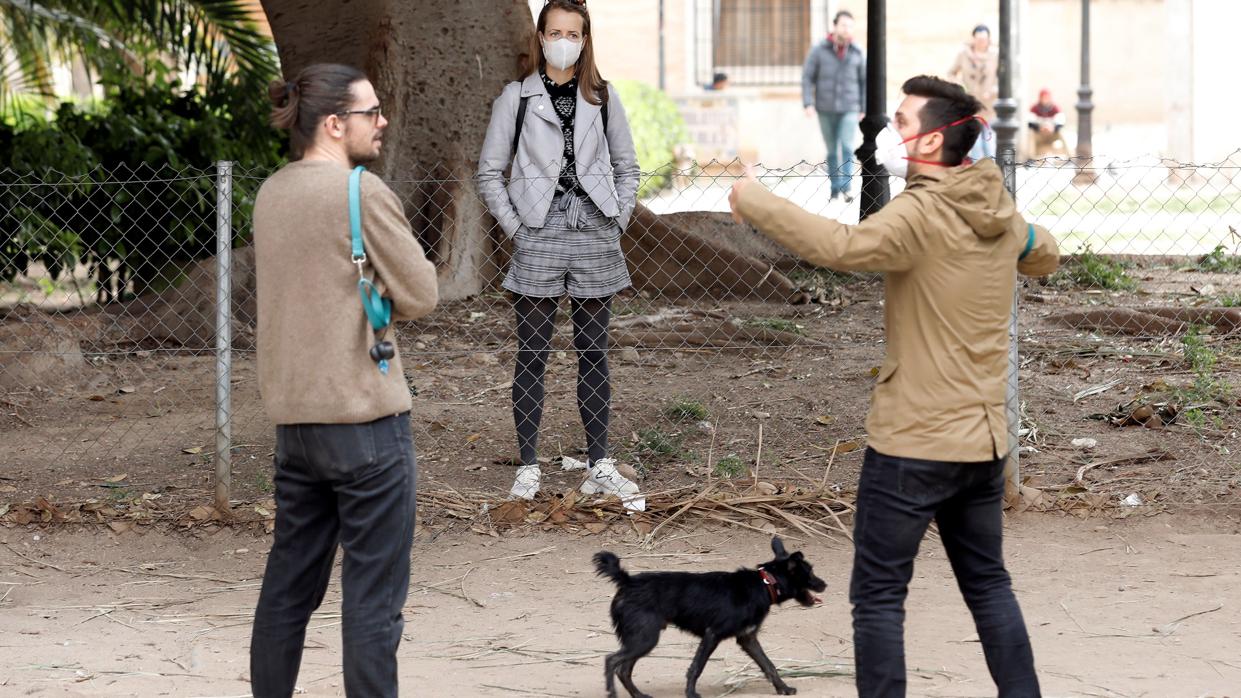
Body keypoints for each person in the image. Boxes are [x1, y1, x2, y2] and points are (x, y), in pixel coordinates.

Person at [729, 75, 1059, 698]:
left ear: (933, 141)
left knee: (878, 596)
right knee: (989, 585)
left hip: (913, 444)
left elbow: (841, 245)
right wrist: (1027, 241)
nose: (891, 131)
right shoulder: (997, 211)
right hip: (983, 445)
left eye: (903, 122)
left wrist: (755, 200)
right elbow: (1046, 251)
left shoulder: (921, 213)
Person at [249, 63, 439, 698]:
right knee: (372, 600)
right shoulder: (361, 192)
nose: (382, 122)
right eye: (371, 113)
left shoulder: (270, 193)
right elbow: (421, 293)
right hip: (366, 425)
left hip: (294, 426)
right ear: (335, 123)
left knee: (287, 591)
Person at [477, 0, 645, 511]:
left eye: (573, 32)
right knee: (533, 353)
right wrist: (518, 228)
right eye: (555, 31)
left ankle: (600, 464)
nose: (564, 40)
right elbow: (489, 173)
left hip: (594, 228)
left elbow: (627, 166)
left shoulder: (603, 96)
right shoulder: (517, 97)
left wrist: (616, 221)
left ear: (585, 37)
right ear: (541, 37)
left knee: (593, 353)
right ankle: (527, 467)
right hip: (538, 229)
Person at [802, 10, 866, 202]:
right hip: (825, 107)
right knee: (831, 150)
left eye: (850, 26)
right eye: (843, 25)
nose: (847, 29)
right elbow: (807, 77)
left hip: (849, 107)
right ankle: (835, 187)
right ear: (835, 26)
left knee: (846, 146)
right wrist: (808, 102)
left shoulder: (857, 51)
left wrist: (863, 107)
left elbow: (865, 81)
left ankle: (846, 187)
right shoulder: (819, 50)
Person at [947, 24, 998, 160]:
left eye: (984, 39)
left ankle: (990, 176)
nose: (982, 42)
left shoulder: (995, 55)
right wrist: (961, 88)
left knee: (989, 143)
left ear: (988, 40)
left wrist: (993, 90)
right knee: (975, 144)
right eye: (979, 39)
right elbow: (951, 73)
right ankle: (977, 176)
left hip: (988, 106)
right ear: (973, 39)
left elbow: (1003, 78)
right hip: (970, 105)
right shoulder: (963, 54)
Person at [1028, 88, 1068, 158]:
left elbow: (1061, 123)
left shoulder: (1055, 108)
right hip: (1040, 134)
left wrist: (1053, 128)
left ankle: (1069, 157)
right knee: (1031, 135)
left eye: (1046, 98)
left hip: (1052, 134)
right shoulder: (1034, 108)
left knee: (1062, 133)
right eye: (1043, 98)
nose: (1044, 99)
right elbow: (1030, 123)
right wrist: (1039, 128)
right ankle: (1031, 159)